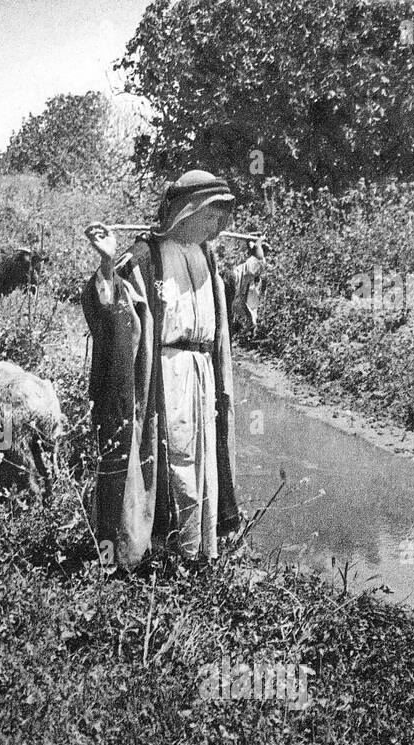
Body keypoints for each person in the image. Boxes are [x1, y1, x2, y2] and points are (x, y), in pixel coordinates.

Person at [81, 169, 265, 571]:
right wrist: (109, 262)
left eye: (222, 214)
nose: (217, 222)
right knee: (173, 457)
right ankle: (164, 553)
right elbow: (112, 309)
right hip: (166, 373)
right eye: (210, 213)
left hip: (203, 372)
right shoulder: (147, 256)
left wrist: (250, 267)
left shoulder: (206, 254)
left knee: (203, 459)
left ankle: (201, 547)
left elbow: (223, 295)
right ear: (186, 212)